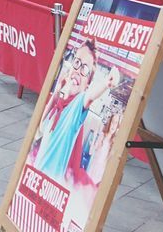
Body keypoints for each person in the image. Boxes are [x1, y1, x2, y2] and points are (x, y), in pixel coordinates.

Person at [31, 39, 121, 181]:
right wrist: (57, 92)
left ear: (87, 84)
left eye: (85, 69)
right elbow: (40, 127)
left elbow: (90, 97)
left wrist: (106, 83)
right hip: (35, 178)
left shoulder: (78, 104)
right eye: (77, 62)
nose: (78, 71)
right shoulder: (58, 105)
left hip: (50, 185)